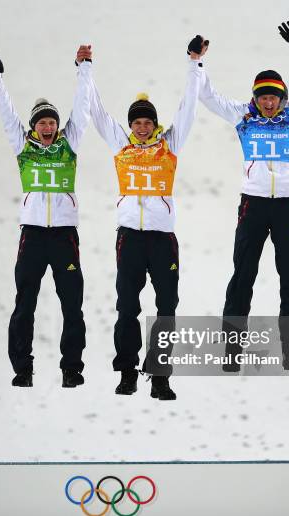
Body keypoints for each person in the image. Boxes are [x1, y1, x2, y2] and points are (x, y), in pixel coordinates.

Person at [197, 21, 289, 371]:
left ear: (283, 98)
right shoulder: (243, 116)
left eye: (273, 96)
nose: (268, 102)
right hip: (253, 205)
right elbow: (207, 96)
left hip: (288, 205)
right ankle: (231, 350)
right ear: (255, 98)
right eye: (262, 96)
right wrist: (196, 62)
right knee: (242, 275)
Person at [89, 36, 208, 400]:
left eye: (147, 122)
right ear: (131, 125)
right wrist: (84, 69)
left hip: (162, 239)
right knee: (127, 306)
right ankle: (126, 372)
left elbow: (188, 107)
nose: (142, 127)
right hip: (129, 237)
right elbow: (95, 111)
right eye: (137, 122)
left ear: (154, 125)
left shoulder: (169, 144)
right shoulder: (119, 145)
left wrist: (194, 63)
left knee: (166, 308)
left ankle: (160, 376)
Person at [0, 46, 93, 388]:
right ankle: (22, 368)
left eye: (52, 121)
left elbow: (83, 107)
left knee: (73, 306)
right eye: (42, 122)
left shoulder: (69, 144)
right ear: (33, 127)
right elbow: (6, 113)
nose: (48, 126)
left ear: (58, 126)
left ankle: (71, 368)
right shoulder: (23, 147)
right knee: (24, 304)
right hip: (32, 235)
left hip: (64, 237)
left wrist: (84, 67)